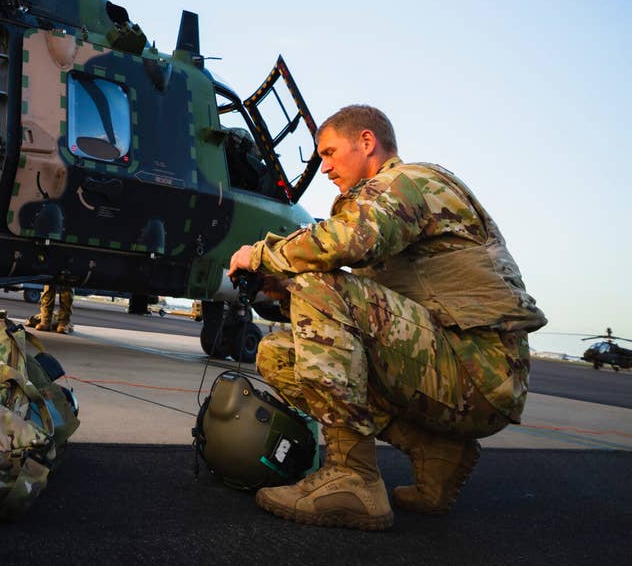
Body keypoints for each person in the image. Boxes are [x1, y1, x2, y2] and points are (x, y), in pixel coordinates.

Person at [226, 104, 545, 530]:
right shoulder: (383, 204)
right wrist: (283, 290)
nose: (324, 168)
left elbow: (350, 243)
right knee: (279, 354)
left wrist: (263, 254)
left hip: (480, 370)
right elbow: (360, 320)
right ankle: (436, 454)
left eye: (329, 152)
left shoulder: (407, 182)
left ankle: (352, 478)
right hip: (452, 368)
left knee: (316, 284)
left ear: (366, 141)